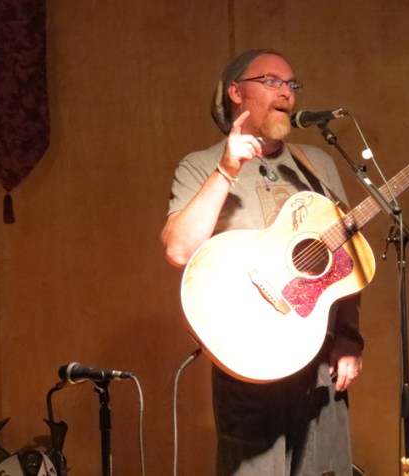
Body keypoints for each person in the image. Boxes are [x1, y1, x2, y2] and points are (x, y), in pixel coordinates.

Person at [162, 49, 364, 476]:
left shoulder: (317, 164)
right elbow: (179, 250)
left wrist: (349, 336)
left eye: (292, 84)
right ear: (236, 92)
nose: (286, 92)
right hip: (248, 357)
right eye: (272, 81)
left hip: (320, 357)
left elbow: (344, 260)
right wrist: (227, 169)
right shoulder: (200, 166)